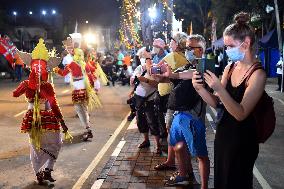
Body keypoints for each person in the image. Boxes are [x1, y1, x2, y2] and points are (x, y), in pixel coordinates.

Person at [192, 12, 266, 189]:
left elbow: (241, 113)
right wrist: (200, 88)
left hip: (243, 140)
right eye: (225, 47)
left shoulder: (258, 74)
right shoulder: (230, 67)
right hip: (224, 135)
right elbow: (218, 104)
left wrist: (218, 88)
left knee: (237, 182)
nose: (226, 51)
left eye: (230, 46)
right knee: (222, 180)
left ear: (246, 43)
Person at [155, 35, 210, 188]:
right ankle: (185, 174)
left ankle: (203, 185)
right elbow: (170, 77)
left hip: (193, 117)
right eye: (186, 48)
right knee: (179, 145)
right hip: (179, 114)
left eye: (190, 48)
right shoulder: (186, 65)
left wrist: (173, 74)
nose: (187, 51)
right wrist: (162, 76)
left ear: (200, 50)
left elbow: (190, 74)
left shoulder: (204, 65)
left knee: (200, 155)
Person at [12, 39, 68, 184]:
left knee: (36, 147)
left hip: (34, 118)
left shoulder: (27, 84)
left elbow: (15, 94)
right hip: (46, 118)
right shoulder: (47, 86)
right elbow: (54, 105)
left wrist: (24, 87)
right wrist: (62, 122)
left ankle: (42, 172)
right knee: (55, 143)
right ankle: (46, 170)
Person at [53, 48, 101, 141]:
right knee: (85, 109)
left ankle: (88, 129)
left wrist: (55, 69)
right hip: (85, 90)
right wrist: (91, 88)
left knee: (80, 111)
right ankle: (88, 127)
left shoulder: (72, 64)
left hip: (77, 90)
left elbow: (63, 73)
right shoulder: (85, 64)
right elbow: (90, 77)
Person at [131, 48, 162, 154]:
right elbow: (133, 81)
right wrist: (132, 81)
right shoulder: (138, 68)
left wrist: (146, 80)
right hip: (139, 99)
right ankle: (146, 140)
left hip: (150, 99)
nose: (141, 59)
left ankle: (158, 145)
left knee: (153, 122)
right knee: (141, 121)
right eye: (140, 57)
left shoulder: (155, 68)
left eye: (143, 57)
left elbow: (158, 85)